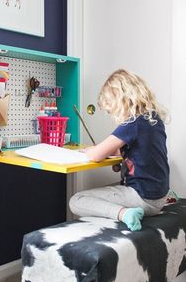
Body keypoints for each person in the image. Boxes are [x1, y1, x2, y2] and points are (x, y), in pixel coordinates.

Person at [69, 69, 170, 231]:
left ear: (120, 100)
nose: (111, 114)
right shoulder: (153, 120)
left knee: (77, 200)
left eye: (110, 109)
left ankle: (124, 213)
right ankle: (126, 211)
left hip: (143, 198)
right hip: (158, 196)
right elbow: (136, 150)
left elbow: (96, 155)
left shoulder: (132, 124)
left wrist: (90, 150)